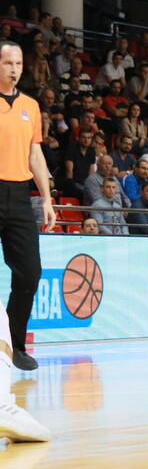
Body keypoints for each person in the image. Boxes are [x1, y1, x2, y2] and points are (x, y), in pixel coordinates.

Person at [0, 41, 54, 442]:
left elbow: (36, 155)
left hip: (19, 196)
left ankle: (14, 344)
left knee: (30, 274)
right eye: (7, 62)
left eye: (18, 63)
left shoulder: (31, 107)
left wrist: (48, 198)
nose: (14, 68)